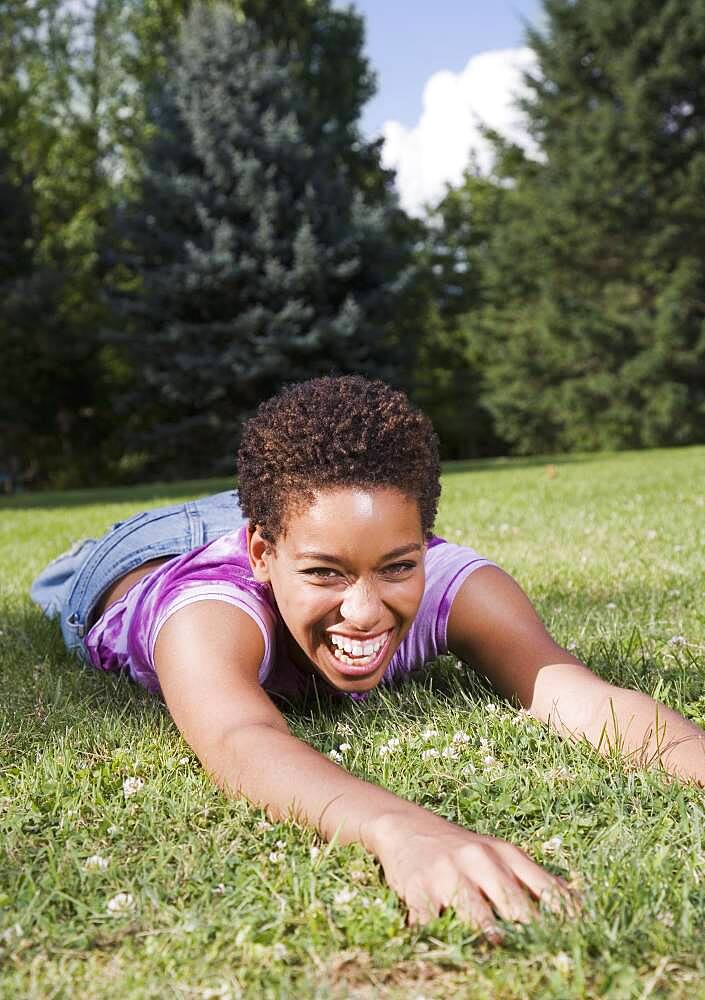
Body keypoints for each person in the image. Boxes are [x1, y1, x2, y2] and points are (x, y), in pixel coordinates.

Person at [31, 376, 705, 939]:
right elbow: (240, 735)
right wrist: (402, 830)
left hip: (310, 513)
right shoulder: (205, 615)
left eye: (396, 566)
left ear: (423, 545)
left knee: (340, 534)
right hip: (139, 556)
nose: (363, 611)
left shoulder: (452, 581)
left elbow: (571, 691)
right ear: (262, 555)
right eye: (326, 575)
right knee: (56, 579)